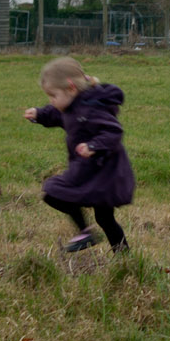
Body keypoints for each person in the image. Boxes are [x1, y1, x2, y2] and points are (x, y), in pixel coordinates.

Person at [25, 57, 135, 253]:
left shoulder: (91, 109)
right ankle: (93, 237)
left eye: (52, 95)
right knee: (57, 195)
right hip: (87, 170)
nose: (51, 100)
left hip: (104, 172)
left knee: (58, 194)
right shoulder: (71, 106)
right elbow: (57, 114)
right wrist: (39, 114)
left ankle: (117, 253)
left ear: (71, 88)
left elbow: (114, 132)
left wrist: (93, 145)